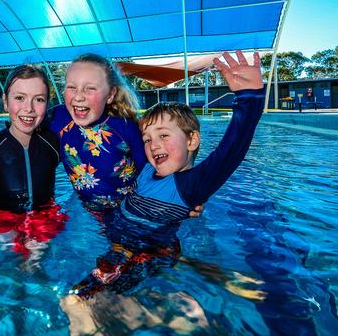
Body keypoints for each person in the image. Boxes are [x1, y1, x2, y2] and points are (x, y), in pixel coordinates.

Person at [66, 50, 265, 298]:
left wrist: (249, 98)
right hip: (123, 242)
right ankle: (184, 265)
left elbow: (231, 151)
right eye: (148, 139)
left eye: (163, 135)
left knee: (79, 299)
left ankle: (171, 306)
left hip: (141, 250)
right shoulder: (148, 169)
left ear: (191, 140)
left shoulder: (190, 185)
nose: (153, 145)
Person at [0, 64, 68, 261]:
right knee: (11, 258)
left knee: (37, 259)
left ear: (48, 104)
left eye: (39, 99)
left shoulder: (53, 142)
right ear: (5, 101)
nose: (29, 108)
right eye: (19, 98)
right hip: (1, 214)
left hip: (44, 212)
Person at [49, 53, 146, 210]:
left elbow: (151, 171)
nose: (78, 96)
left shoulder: (126, 127)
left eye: (90, 88)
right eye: (71, 87)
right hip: (84, 207)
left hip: (126, 209)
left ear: (110, 95)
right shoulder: (56, 119)